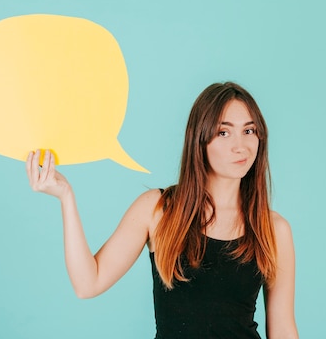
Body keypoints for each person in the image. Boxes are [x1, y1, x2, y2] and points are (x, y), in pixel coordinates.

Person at [26, 82, 298, 338]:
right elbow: (88, 283)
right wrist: (66, 197)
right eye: (223, 132)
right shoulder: (157, 209)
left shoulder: (274, 229)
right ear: (199, 140)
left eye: (249, 130)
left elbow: (283, 329)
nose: (240, 145)